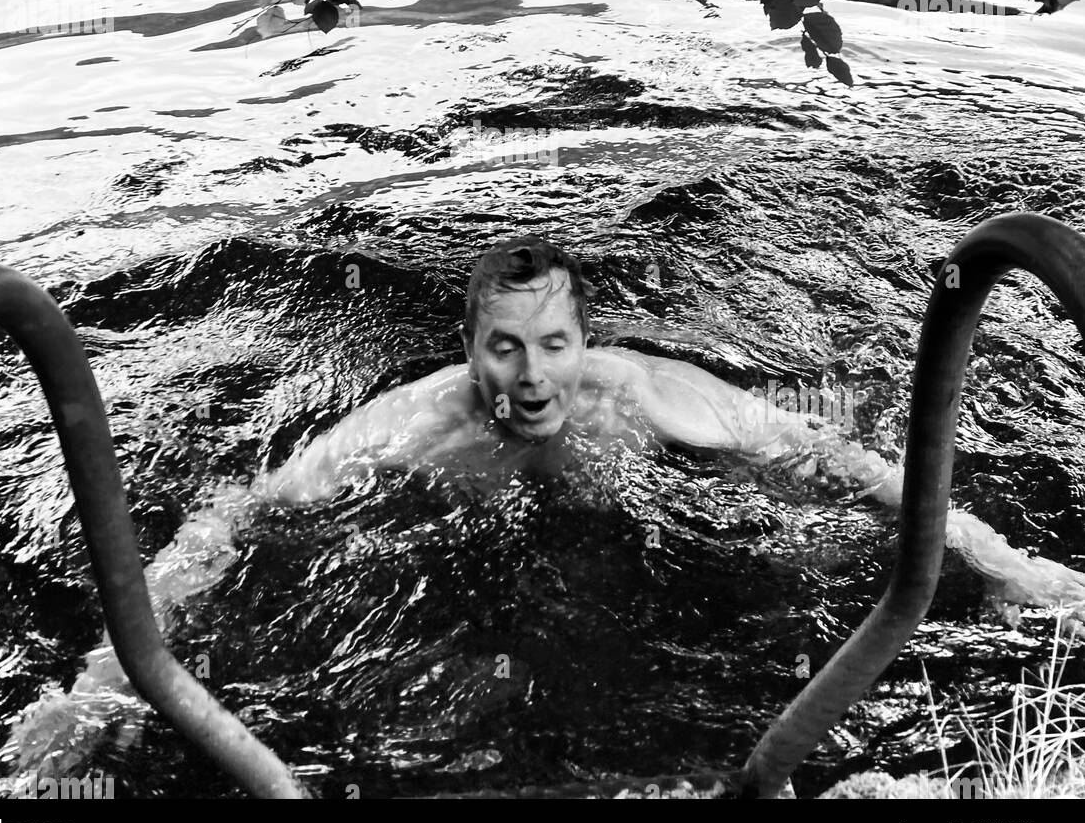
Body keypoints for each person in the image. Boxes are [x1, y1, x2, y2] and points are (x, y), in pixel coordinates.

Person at [262, 235, 1085, 621]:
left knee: (804, 542)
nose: (535, 374)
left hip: (635, 510)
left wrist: (999, 558)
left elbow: (837, 457)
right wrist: (131, 650)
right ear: (469, 351)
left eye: (555, 345)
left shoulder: (646, 397)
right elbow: (245, 509)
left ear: (585, 341)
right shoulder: (418, 422)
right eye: (505, 348)